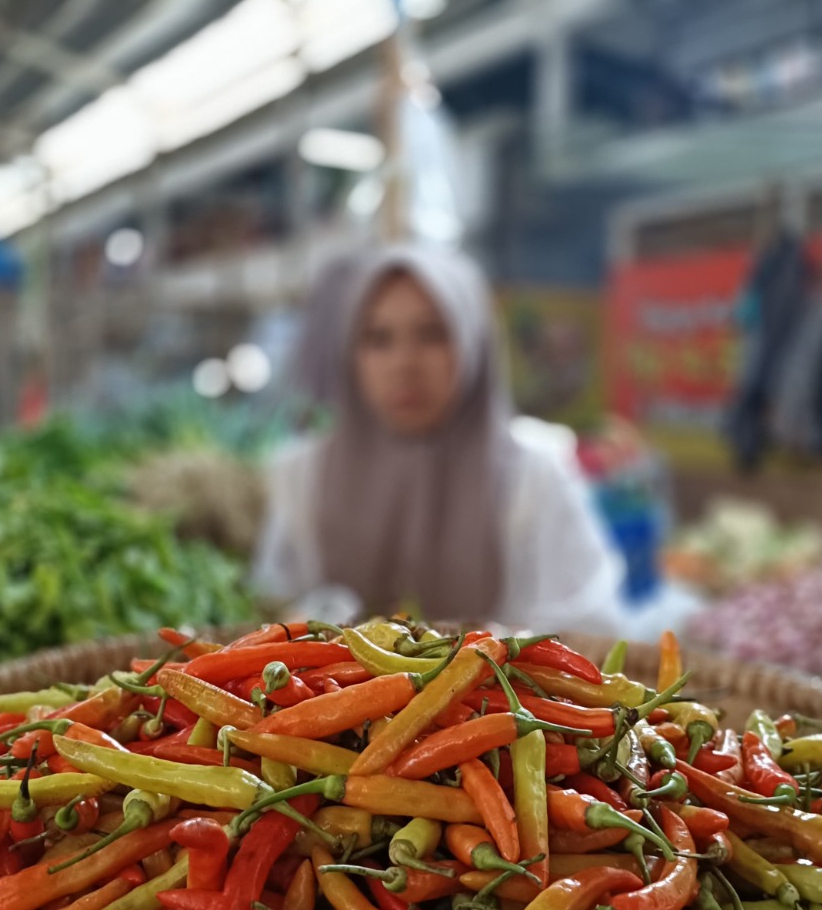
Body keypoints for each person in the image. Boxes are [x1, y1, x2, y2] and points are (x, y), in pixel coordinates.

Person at [253, 243, 625, 634]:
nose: (404, 364)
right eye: (378, 339)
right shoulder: (304, 475)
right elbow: (272, 616)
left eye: (433, 335)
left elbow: (589, 631)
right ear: (350, 354)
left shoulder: (532, 476)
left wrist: (489, 655)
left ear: (473, 342)